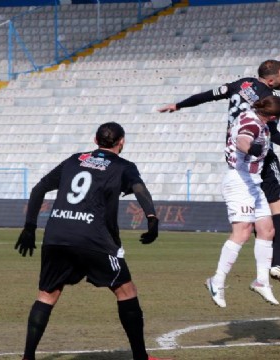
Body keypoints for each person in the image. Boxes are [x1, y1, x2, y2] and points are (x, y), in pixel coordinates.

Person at [14, 122, 169, 360]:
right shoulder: (123, 166)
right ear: (122, 142)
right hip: (94, 238)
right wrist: (151, 217)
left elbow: (38, 189)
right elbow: (139, 188)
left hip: (57, 235)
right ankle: (141, 357)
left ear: (95, 140)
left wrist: (29, 227)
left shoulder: (74, 159)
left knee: (47, 294)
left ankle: (27, 357)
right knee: (126, 291)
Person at [159, 59, 280, 288]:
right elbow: (273, 135)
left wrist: (179, 105)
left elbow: (208, 95)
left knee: (256, 214)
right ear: (271, 80)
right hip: (260, 155)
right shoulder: (271, 101)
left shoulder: (240, 84)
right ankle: (278, 264)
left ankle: (266, 268)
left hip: (235, 155)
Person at [205, 95, 280, 308]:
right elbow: (244, 139)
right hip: (239, 181)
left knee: (267, 230)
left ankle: (261, 281)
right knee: (242, 231)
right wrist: (250, 148)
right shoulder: (253, 124)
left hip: (253, 181)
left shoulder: (252, 116)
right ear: (272, 116)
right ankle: (217, 280)